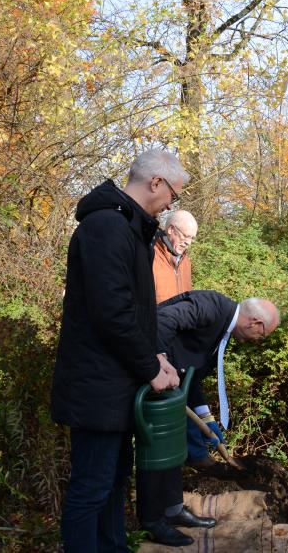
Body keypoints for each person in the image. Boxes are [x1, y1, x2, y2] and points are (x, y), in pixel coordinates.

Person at [51, 149, 187, 553]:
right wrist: (150, 367)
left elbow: (136, 311)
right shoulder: (106, 227)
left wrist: (156, 356)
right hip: (96, 386)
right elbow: (111, 313)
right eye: (174, 194)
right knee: (91, 488)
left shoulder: (129, 227)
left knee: (114, 482)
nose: (171, 204)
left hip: (118, 383)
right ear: (156, 182)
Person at [135, 291, 279, 546]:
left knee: (174, 450)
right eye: (263, 335)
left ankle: (173, 509)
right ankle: (152, 520)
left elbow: (193, 376)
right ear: (255, 323)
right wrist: (160, 363)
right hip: (150, 382)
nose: (259, 341)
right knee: (158, 452)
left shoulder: (223, 331)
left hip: (172, 388)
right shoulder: (211, 307)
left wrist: (206, 417)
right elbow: (161, 321)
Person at [153, 210, 198, 304]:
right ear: (171, 229)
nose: (188, 242)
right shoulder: (150, 255)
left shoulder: (186, 262)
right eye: (185, 236)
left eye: (192, 238)